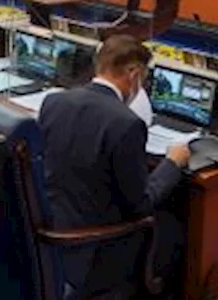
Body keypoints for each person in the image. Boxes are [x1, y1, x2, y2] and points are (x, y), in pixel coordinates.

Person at [41, 35, 189, 298]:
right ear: (133, 75)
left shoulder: (54, 102)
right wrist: (172, 164)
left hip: (51, 231)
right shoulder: (126, 123)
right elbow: (140, 203)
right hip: (96, 247)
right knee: (174, 227)